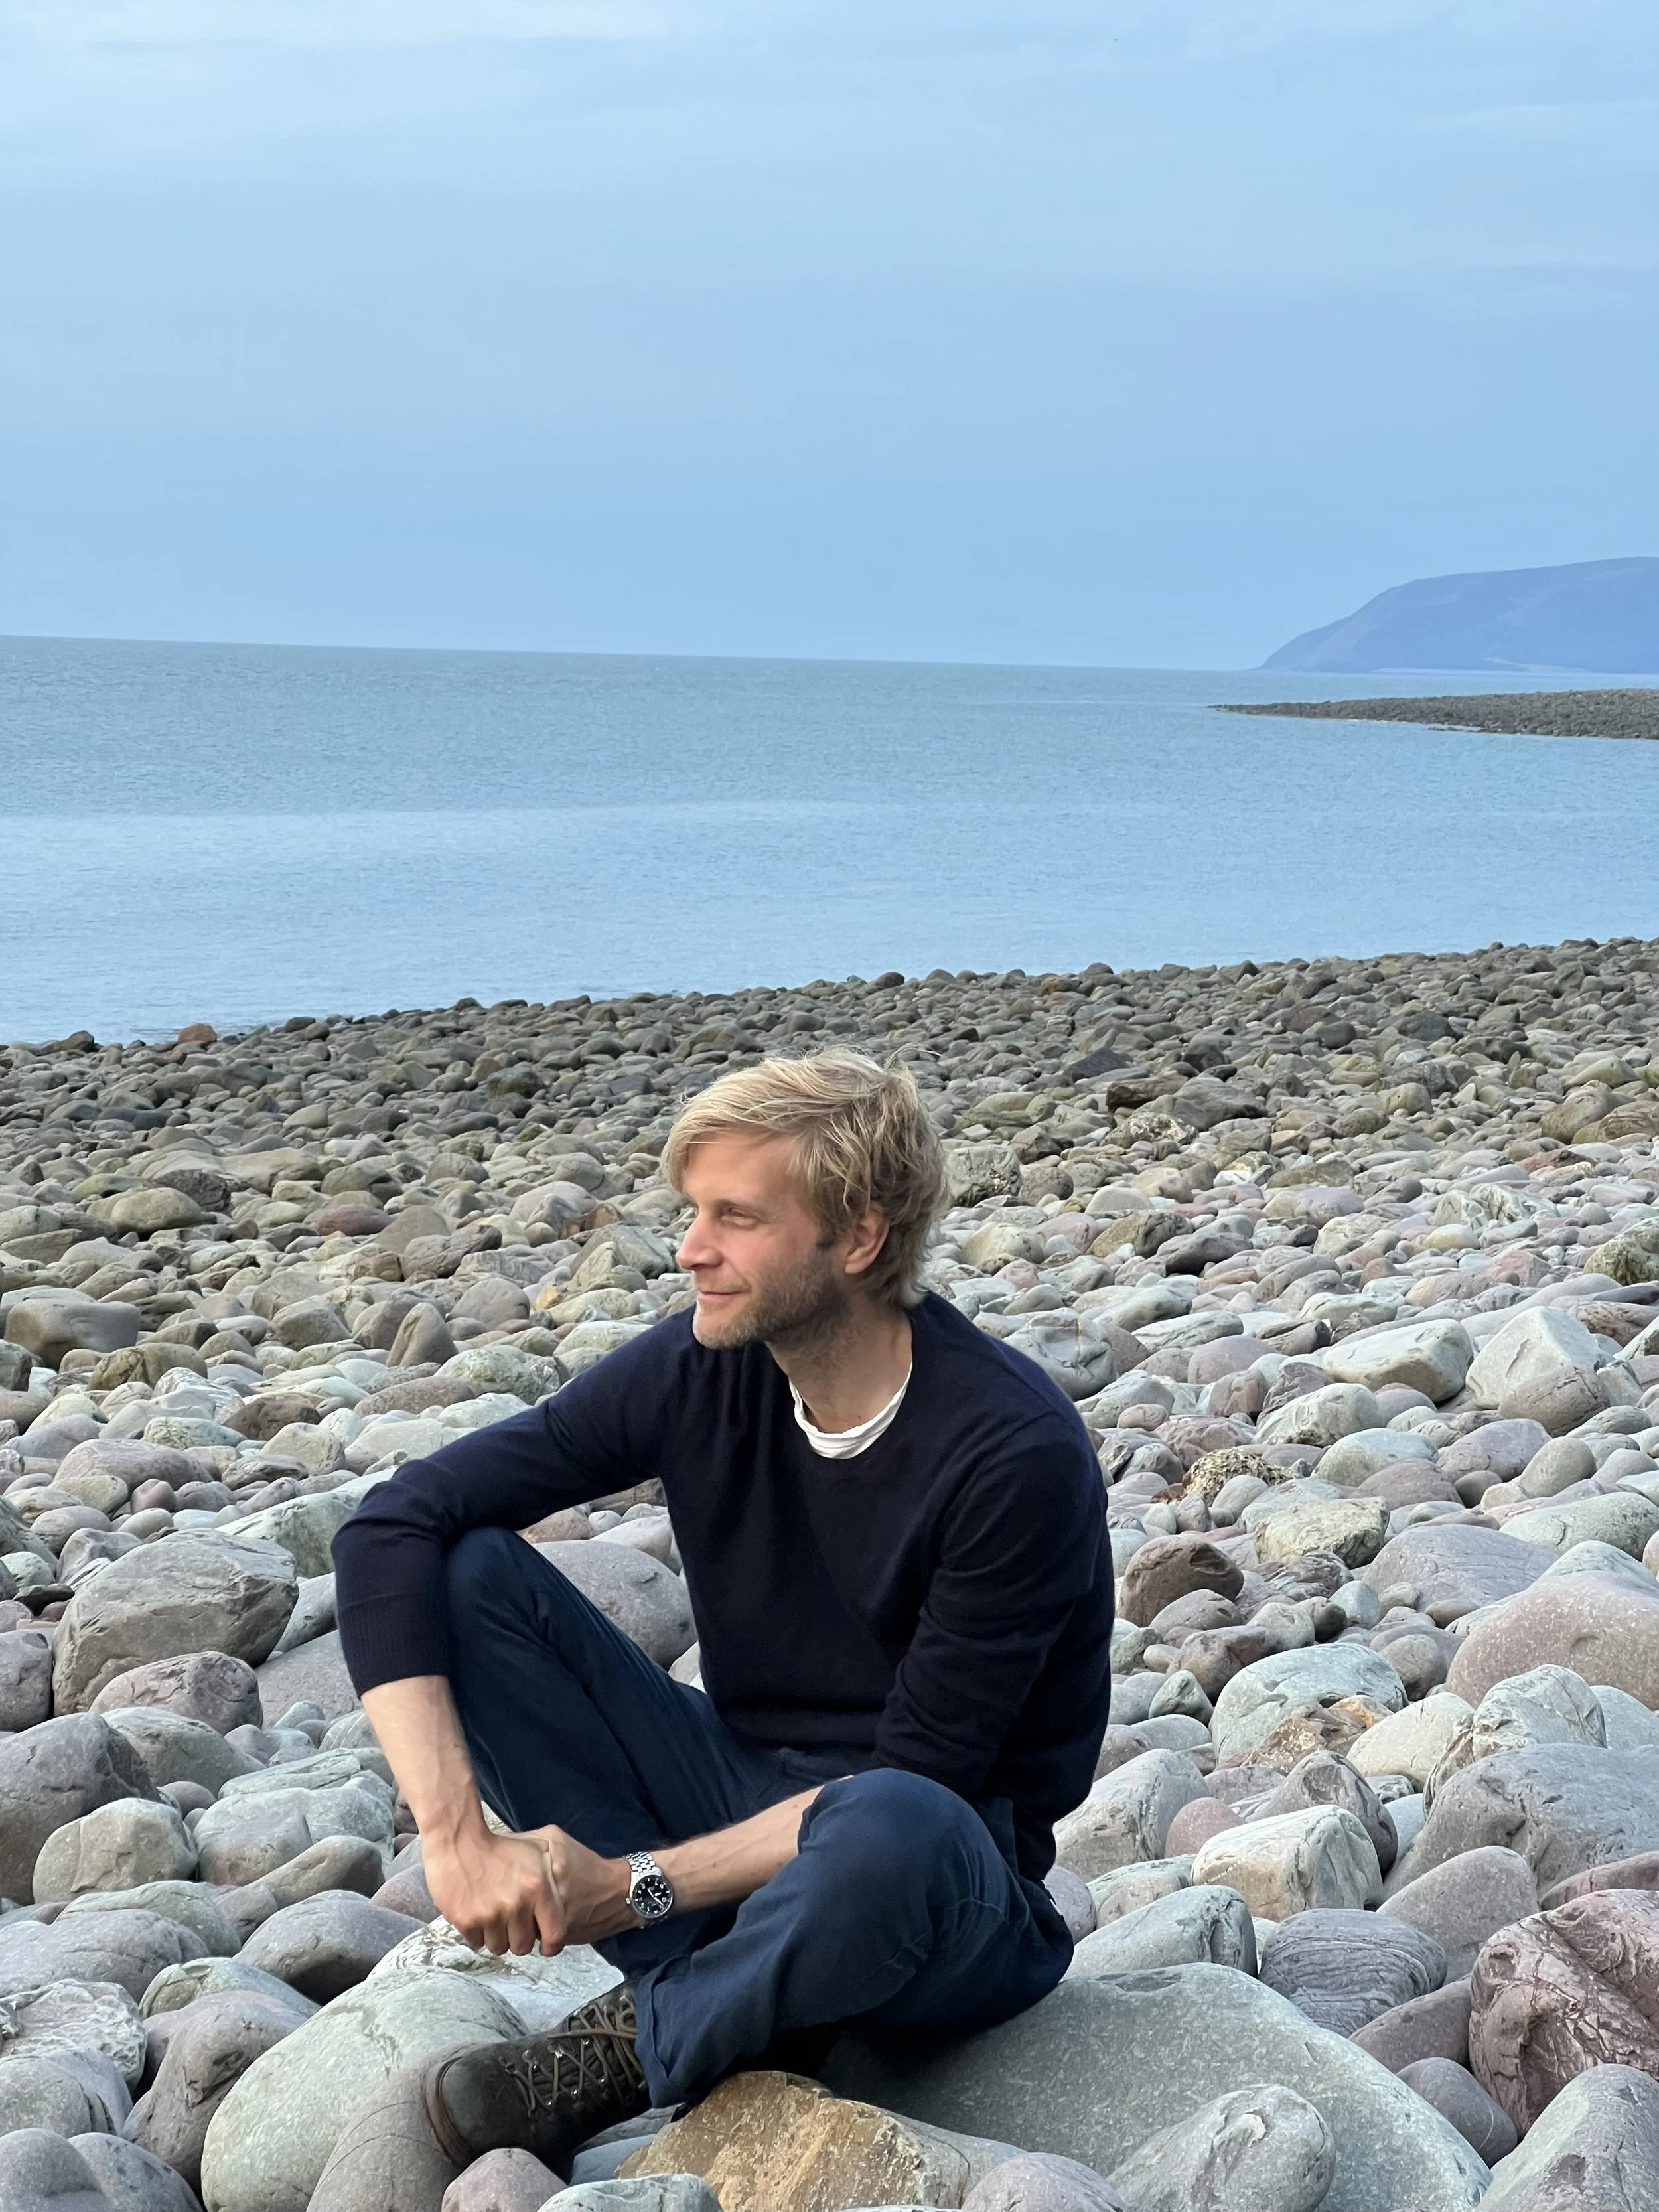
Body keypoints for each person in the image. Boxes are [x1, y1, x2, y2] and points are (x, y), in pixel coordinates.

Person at [332, 1049, 1114, 2177]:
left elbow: (923, 1782)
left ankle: (648, 2042)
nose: (691, 1248)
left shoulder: (1011, 1452)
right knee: (467, 1577)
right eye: (693, 1210)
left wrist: (630, 1887)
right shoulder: (704, 1366)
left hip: (948, 1885)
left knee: (890, 1823)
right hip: (735, 1792)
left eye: (736, 1218)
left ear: (858, 1238)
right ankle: (747, 2001)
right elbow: (394, 1524)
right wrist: (453, 1836)